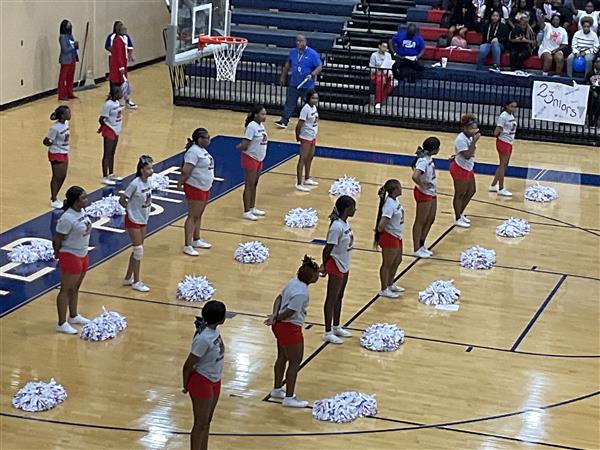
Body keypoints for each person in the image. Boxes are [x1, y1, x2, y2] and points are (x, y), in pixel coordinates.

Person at [265, 255, 320, 408]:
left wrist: (274, 316)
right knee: (295, 362)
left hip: (280, 327)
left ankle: (277, 389)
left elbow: (278, 298)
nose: (318, 276)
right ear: (311, 277)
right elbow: (290, 311)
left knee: (282, 357)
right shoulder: (302, 293)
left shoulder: (292, 282)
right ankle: (289, 397)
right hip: (290, 328)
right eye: (316, 274)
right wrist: (276, 317)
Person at [181, 300, 226, 450]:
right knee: (200, 423)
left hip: (214, 380)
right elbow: (188, 365)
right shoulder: (203, 339)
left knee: (207, 421)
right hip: (202, 382)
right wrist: (185, 385)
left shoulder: (213, 331)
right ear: (221, 319)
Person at [53, 186, 91, 334]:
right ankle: (61, 323)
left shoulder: (81, 211)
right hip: (70, 255)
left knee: (75, 288)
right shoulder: (67, 218)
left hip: (83, 253)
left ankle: (73, 316)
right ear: (75, 201)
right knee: (65, 289)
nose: (86, 200)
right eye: (83, 198)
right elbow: (57, 238)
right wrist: (57, 254)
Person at [321, 195, 355, 345]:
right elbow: (327, 248)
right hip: (335, 264)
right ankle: (328, 331)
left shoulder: (344, 224)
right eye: (353, 207)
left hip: (345, 263)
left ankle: (336, 326)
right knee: (331, 298)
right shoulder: (336, 227)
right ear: (347, 209)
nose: (355, 209)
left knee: (339, 296)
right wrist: (324, 265)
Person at [178, 128, 215, 256]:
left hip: (204, 186)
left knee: (198, 215)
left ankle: (196, 239)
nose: (209, 139)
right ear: (199, 139)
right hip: (195, 187)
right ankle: (187, 245)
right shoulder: (193, 152)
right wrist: (180, 183)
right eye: (206, 137)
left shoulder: (201, 150)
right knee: (192, 216)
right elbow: (186, 170)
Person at [120, 156, 153, 292]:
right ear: (141, 170)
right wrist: (129, 209)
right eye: (149, 168)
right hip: (133, 219)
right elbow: (122, 199)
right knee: (138, 250)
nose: (151, 170)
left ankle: (128, 277)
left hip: (143, 219)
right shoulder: (135, 184)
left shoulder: (148, 182)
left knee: (137, 250)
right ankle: (137, 281)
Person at [275, 35, 322, 129]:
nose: (298, 43)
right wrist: (283, 76)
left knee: (308, 105)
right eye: (297, 41)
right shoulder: (293, 52)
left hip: (307, 85)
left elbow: (319, 66)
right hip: (294, 83)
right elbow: (288, 64)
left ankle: (310, 122)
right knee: (289, 103)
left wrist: (312, 74)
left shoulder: (312, 54)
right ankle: (284, 121)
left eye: (300, 41)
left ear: (305, 42)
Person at [374, 179, 405, 299]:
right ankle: (383, 289)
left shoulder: (395, 200)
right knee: (387, 264)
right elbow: (381, 225)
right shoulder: (389, 205)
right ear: (395, 190)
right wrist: (382, 232)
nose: (401, 189)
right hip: (390, 237)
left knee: (397, 261)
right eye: (400, 187)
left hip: (397, 235)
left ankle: (390, 283)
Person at [237, 105, 268, 221]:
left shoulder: (261, 126)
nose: (265, 116)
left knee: (254, 183)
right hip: (250, 158)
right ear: (256, 115)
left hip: (259, 158)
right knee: (249, 184)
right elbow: (245, 143)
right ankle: (246, 211)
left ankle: (252, 207)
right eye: (262, 114)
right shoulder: (251, 126)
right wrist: (240, 147)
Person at [411, 137, 440, 259]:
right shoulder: (423, 161)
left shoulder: (428, 158)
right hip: (424, 193)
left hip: (432, 192)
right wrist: (423, 185)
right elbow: (415, 176)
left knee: (430, 218)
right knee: (420, 221)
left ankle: (422, 244)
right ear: (433, 149)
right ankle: (416, 248)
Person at [450, 113, 480, 228]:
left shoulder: (469, 136)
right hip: (460, 168)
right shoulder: (461, 139)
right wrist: (474, 142)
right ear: (465, 128)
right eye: (472, 128)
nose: (474, 131)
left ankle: (461, 213)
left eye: (475, 128)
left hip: (468, 166)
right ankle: (457, 218)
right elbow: (467, 155)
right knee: (460, 194)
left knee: (472, 190)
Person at [43, 106, 71, 209]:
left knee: (63, 176)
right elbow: (45, 141)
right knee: (56, 176)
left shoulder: (66, 124)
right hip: (56, 152)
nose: (70, 114)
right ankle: (53, 199)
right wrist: (50, 142)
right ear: (63, 115)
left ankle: (56, 197)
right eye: (68, 113)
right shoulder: (55, 128)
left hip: (64, 151)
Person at [106, 21, 137, 109]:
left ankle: (125, 100)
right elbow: (118, 55)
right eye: (123, 29)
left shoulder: (122, 39)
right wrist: (121, 67)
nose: (125, 30)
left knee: (122, 82)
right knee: (117, 82)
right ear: (119, 30)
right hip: (117, 65)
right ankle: (118, 101)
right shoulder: (117, 40)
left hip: (121, 63)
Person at [490, 101, 518, 196]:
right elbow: (496, 131)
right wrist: (501, 134)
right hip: (503, 142)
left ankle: (493, 185)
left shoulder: (511, 116)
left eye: (515, 107)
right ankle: (501, 188)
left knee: (505, 164)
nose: (513, 108)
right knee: (502, 165)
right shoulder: (503, 116)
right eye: (511, 106)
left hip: (509, 142)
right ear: (506, 106)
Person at [98, 84, 124, 186]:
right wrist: (108, 126)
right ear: (115, 94)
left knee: (112, 153)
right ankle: (105, 176)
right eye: (120, 92)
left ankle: (111, 173)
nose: (121, 94)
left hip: (116, 129)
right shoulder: (108, 104)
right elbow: (101, 119)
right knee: (107, 153)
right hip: (109, 130)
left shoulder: (117, 103)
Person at [295, 90, 319, 192]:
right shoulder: (305, 109)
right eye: (313, 98)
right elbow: (299, 124)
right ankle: (299, 183)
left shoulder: (314, 107)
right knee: (303, 158)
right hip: (305, 136)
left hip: (312, 136)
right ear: (308, 99)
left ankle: (307, 178)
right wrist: (298, 136)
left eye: (316, 98)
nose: (315, 100)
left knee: (310, 156)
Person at [369, 40, 395, 108]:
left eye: (386, 47)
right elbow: (372, 68)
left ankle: (382, 97)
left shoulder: (388, 55)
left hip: (386, 73)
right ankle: (378, 101)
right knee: (380, 81)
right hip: (376, 74)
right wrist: (379, 70)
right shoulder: (374, 55)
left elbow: (390, 66)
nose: (385, 49)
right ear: (379, 46)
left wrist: (390, 73)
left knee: (391, 83)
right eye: (383, 46)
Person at [57, 20, 78, 101]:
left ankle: (70, 93)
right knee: (63, 78)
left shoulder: (70, 36)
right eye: (68, 25)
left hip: (72, 58)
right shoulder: (62, 37)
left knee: (70, 77)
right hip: (65, 60)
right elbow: (65, 49)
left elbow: (72, 46)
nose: (70, 27)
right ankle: (62, 95)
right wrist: (73, 46)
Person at [585, 56, 600, 126]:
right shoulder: (590, 74)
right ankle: (590, 122)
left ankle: (595, 121)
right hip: (591, 94)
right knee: (590, 100)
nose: (599, 64)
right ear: (594, 64)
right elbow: (586, 84)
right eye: (597, 62)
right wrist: (592, 91)